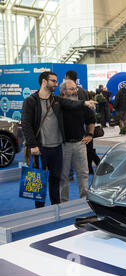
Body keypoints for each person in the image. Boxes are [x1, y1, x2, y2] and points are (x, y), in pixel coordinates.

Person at [21, 71, 97, 208]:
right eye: (53, 81)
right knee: (38, 179)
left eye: (56, 81)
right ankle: (40, 209)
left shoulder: (55, 100)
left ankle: (56, 207)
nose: (56, 84)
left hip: (56, 148)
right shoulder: (30, 101)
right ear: (44, 81)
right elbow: (26, 124)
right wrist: (32, 145)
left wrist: (85, 102)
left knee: (56, 180)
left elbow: (71, 103)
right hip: (40, 149)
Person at [59, 80, 96, 203]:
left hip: (80, 144)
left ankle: (84, 201)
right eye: (71, 89)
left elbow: (91, 120)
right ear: (63, 91)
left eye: (75, 88)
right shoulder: (58, 104)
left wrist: (90, 134)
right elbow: (68, 104)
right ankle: (63, 203)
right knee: (63, 176)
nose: (74, 91)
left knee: (83, 174)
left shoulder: (82, 105)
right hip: (63, 145)